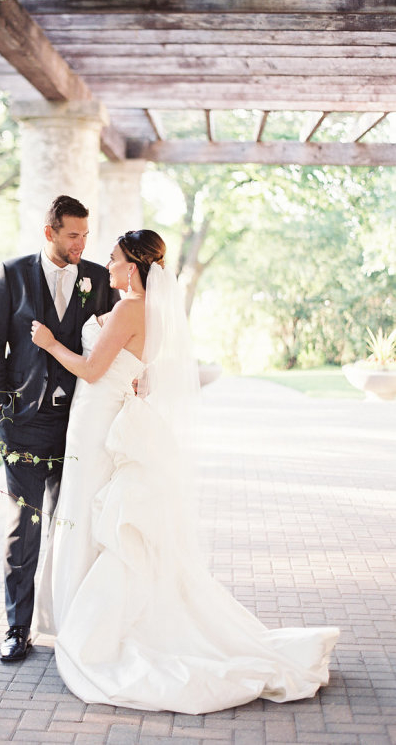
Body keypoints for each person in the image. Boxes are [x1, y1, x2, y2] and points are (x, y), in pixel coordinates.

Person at [30, 229, 339, 714]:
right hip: (105, 414)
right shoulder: (150, 311)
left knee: (90, 513)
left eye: (113, 259)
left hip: (97, 420)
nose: (107, 266)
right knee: (92, 512)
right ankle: (80, 618)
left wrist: (48, 343)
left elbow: (90, 371)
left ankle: (87, 625)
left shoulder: (130, 308)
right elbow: (140, 371)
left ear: (132, 267)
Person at [0, 195, 119, 662]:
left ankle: (72, 621)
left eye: (86, 234)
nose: (81, 243)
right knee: (26, 524)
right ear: (50, 233)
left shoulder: (98, 278)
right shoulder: (12, 274)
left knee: (73, 523)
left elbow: (114, 344)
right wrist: (1, 409)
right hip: (24, 424)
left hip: (80, 423)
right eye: (73, 235)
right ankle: (17, 627)